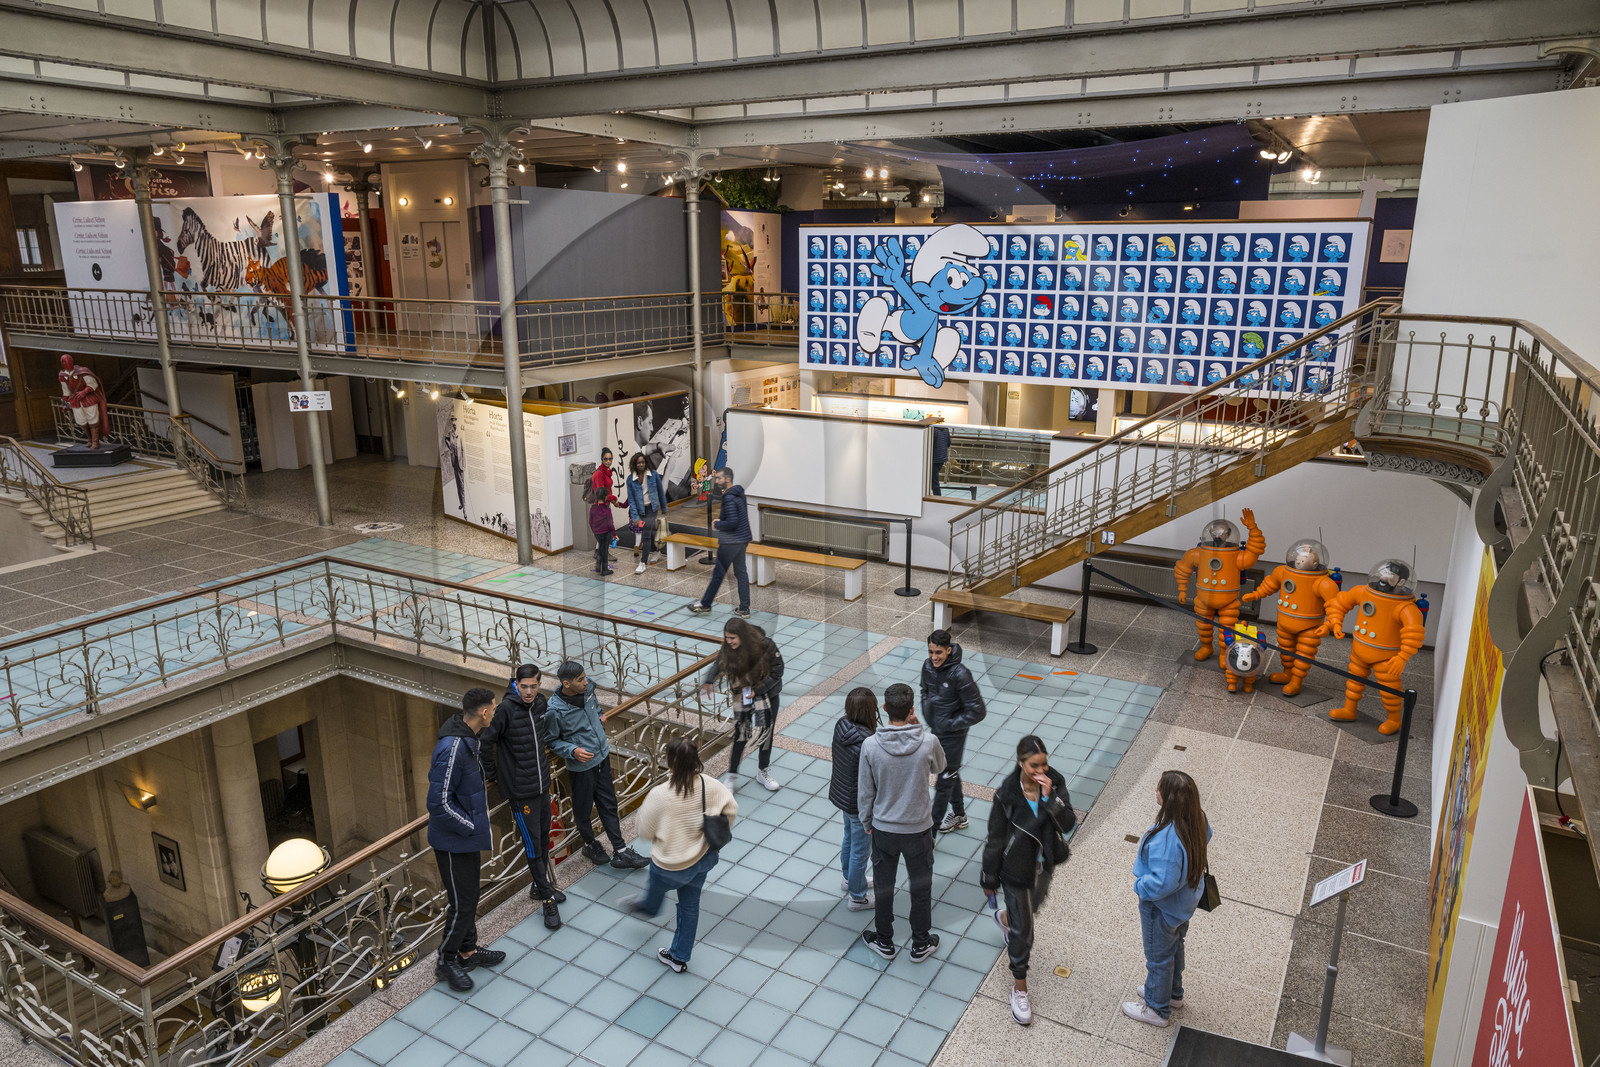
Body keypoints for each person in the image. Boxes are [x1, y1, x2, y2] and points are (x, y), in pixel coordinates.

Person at [981, 736, 1077, 1026]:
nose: (1041, 770)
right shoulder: (1007, 795)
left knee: (1030, 911)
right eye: (1034, 765)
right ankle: (1019, 987)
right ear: (1021, 763)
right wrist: (989, 875)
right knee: (1025, 933)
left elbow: (1069, 822)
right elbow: (995, 840)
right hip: (1015, 871)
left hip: (1043, 865)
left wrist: (1051, 800)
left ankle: (1005, 918)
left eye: (1044, 763)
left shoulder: (1054, 783)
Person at [626, 737, 737, 973]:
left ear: (669, 762)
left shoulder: (660, 794)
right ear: (696, 760)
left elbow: (644, 830)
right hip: (703, 859)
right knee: (690, 905)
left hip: (669, 865)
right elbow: (731, 809)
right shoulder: (711, 785)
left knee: (655, 892)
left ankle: (647, 907)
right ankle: (678, 956)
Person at [858, 682, 945, 963]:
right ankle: (921, 943)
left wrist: (866, 820)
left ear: (884, 709)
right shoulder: (928, 741)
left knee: (884, 886)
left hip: (884, 828)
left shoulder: (870, 745)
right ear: (911, 711)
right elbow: (940, 767)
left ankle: (884, 941)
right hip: (919, 828)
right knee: (921, 887)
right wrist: (919, 728)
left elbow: (866, 790)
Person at [426, 688, 507, 992]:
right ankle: (446, 961)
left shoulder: (467, 740)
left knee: (470, 897)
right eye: (494, 709)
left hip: (464, 839)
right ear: (484, 712)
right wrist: (470, 826)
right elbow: (438, 802)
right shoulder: (453, 747)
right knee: (461, 904)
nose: (495, 712)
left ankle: (468, 950)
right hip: (453, 841)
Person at [479, 663, 566, 930]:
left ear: (539, 684)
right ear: (516, 684)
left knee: (542, 840)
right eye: (523, 686)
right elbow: (485, 743)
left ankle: (539, 887)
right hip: (520, 792)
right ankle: (547, 900)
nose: (528, 691)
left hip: (541, 785)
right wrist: (493, 773)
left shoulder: (540, 704)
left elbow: (543, 736)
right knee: (532, 846)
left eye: (533, 686)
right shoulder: (505, 710)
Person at [1124, 770, 1213, 1028]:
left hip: (1161, 908)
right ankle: (1173, 994)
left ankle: (1156, 1008)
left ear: (1170, 798)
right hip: (1184, 904)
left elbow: (1163, 882)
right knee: (1175, 947)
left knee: (1158, 957)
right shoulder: (1197, 820)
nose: (1155, 790)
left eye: (1159, 787)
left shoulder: (1167, 838)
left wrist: (1140, 886)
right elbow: (1207, 837)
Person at [544, 661, 649, 871]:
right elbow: (552, 740)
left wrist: (599, 714)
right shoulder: (554, 711)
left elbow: (595, 706)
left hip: (602, 756)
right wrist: (572, 751)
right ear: (566, 683)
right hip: (581, 767)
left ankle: (620, 851)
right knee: (583, 809)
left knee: (609, 803)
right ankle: (590, 845)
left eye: (584, 677)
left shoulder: (589, 688)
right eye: (580, 679)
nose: (586, 681)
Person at [699, 617, 784, 792]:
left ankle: (763, 772)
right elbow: (718, 663)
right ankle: (732, 775)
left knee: (765, 733)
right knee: (741, 734)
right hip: (743, 694)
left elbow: (778, 670)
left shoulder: (765, 645)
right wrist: (709, 680)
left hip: (767, 695)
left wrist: (758, 690)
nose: (729, 642)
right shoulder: (729, 648)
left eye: (732, 638)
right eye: (727, 638)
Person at [920, 629, 988, 834]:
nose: (934, 657)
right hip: (936, 730)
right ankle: (959, 815)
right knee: (949, 772)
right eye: (931, 652)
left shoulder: (960, 674)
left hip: (953, 735)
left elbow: (978, 711)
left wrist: (949, 723)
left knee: (943, 781)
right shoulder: (927, 666)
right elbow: (924, 690)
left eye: (938, 652)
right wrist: (928, 711)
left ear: (948, 650)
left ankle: (930, 835)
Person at [829, 687, 878, 911]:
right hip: (859, 804)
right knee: (861, 850)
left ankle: (849, 880)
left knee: (849, 839)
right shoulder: (867, 743)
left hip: (842, 796)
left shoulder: (841, 726)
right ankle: (857, 897)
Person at [687, 467, 751, 618]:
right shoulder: (740, 493)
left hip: (730, 542)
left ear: (728, 479)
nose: (717, 481)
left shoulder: (729, 497)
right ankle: (744, 608)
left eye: (719, 479)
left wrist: (718, 524)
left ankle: (705, 605)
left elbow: (733, 521)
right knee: (741, 574)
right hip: (742, 539)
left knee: (718, 575)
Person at [626, 451, 668, 574]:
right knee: (649, 534)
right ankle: (657, 551)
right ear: (634, 464)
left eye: (643, 462)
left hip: (652, 509)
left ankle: (643, 562)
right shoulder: (630, 479)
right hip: (640, 510)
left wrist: (664, 507)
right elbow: (631, 500)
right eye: (638, 463)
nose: (641, 465)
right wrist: (635, 517)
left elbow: (660, 491)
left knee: (645, 535)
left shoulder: (653, 475)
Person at [930, 422, 951, 497]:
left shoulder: (933, 430)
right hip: (942, 457)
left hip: (934, 458)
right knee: (933, 478)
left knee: (933, 480)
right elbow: (948, 443)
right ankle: (936, 496)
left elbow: (930, 444)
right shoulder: (946, 429)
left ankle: (938, 497)